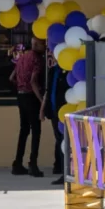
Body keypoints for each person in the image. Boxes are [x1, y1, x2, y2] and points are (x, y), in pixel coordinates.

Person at [11, 37, 45, 177]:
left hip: (21, 95)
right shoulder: (37, 59)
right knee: (36, 130)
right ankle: (33, 164)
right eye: (44, 44)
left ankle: (18, 163)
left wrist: (20, 86)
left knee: (24, 130)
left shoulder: (22, 57)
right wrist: (42, 101)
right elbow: (33, 81)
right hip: (32, 97)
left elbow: (11, 77)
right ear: (37, 44)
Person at [43, 52, 71, 185]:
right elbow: (48, 91)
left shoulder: (69, 72)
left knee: (66, 142)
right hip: (54, 112)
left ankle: (67, 173)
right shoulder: (53, 70)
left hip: (65, 112)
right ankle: (62, 170)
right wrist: (43, 109)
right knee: (59, 140)